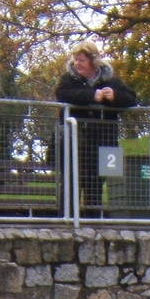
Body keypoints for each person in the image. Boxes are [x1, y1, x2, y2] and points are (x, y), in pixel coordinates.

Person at [54, 41, 137, 211]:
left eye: (82, 60)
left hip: (102, 139)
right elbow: (62, 94)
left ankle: (93, 218)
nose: (77, 64)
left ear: (93, 61)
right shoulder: (69, 79)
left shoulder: (110, 80)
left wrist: (114, 96)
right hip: (74, 138)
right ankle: (66, 218)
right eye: (75, 60)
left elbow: (131, 98)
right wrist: (92, 95)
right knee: (71, 178)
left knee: (96, 180)